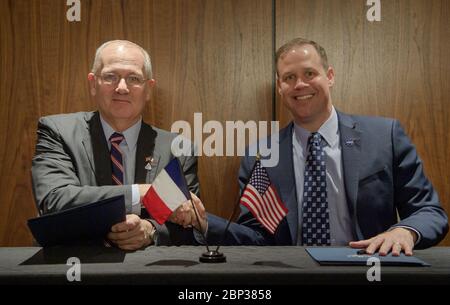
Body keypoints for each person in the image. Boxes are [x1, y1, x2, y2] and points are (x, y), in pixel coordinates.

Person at [173, 37, 448, 255]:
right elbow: (255, 240)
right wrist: (205, 221)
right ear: (280, 87)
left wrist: (406, 231)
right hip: (295, 277)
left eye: (309, 73)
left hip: (369, 271)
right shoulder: (262, 156)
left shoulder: (384, 136)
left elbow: (430, 212)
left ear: (329, 76)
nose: (300, 84)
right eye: (289, 78)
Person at [32, 40, 199, 250]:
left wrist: (151, 230)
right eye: (111, 77)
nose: (122, 88)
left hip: (148, 273)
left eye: (134, 78)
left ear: (148, 89)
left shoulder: (178, 148)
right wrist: (145, 194)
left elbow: (191, 221)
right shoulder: (57, 131)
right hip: (71, 266)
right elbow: (55, 200)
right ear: (93, 83)